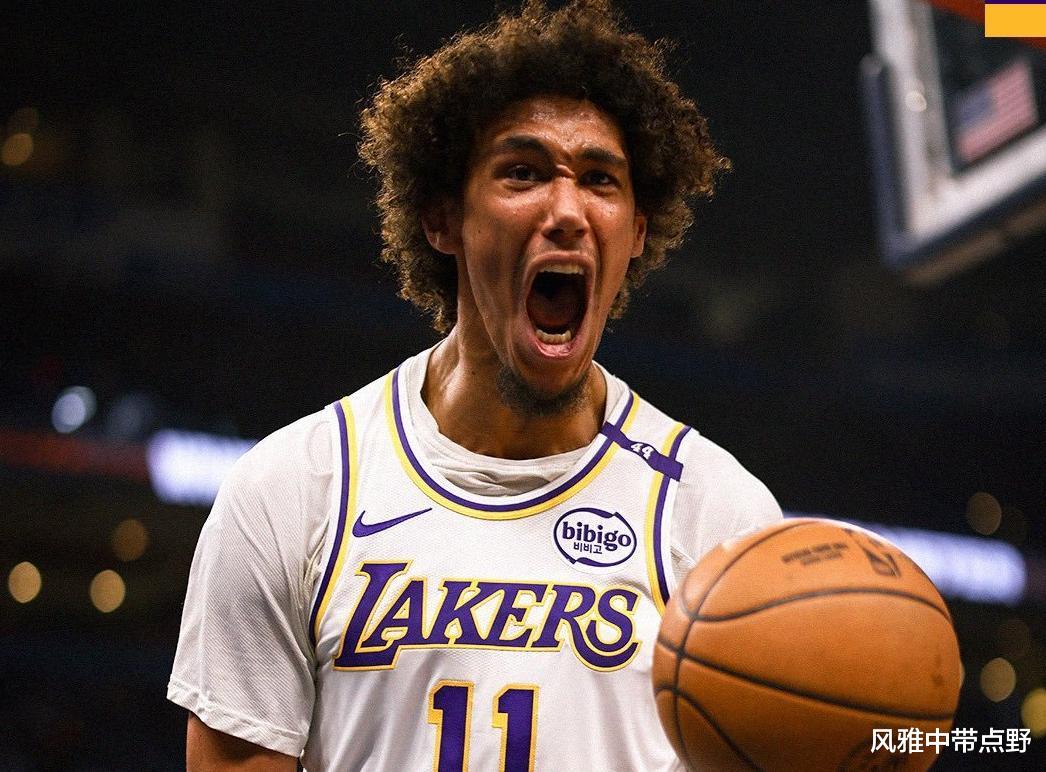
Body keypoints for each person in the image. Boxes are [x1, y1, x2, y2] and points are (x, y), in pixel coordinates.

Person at [168, 1, 782, 769]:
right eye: (524, 172)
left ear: (636, 232)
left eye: (600, 180)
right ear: (442, 218)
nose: (567, 211)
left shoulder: (719, 517)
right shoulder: (291, 492)